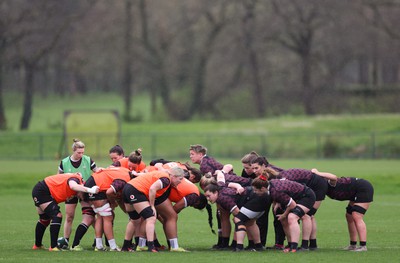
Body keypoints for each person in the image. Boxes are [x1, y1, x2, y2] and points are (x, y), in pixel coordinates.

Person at [121, 167, 187, 252]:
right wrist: (152, 206)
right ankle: (151, 246)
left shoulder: (162, 174)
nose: (180, 181)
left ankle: (125, 247)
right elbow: (152, 188)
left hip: (127, 188)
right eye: (180, 179)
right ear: (173, 176)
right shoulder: (166, 180)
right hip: (135, 190)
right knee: (151, 217)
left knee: (135, 220)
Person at [203, 170, 270, 252]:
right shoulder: (219, 186)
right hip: (262, 198)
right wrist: (219, 172)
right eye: (206, 197)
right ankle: (258, 246)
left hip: (255, 198)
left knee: (238, 219)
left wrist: (240, 220)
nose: (208, 199)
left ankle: (239, 246)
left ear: (216, 192)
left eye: (209, 196)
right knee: (250, 222)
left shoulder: (222, 198)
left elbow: (237, 212)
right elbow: (221, 178)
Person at [265, 166, 328, 251]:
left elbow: (291, 201)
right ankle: (292, 244)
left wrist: (285, 213)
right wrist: (278, 203)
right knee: (288, 218)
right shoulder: (276, 183)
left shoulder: (280, 181)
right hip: (301, 193)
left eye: (256, 168)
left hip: (312, 190)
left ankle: (306, 246)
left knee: (306, 216)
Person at [32, 173, 99, 251]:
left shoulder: (77, 186)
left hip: (40, 190)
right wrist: (90, 190)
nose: (82, 198)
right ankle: (53, 247)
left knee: (44, 219)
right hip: (43, 191)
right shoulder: (76, 179)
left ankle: (37, 245)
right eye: (84, 195)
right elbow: (72, 185)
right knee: (57, 216)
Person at [312, 168, 374, 252]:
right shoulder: (320, 189)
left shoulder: (329, 183)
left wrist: (317, 172)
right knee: (349, 216)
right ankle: (353, 245)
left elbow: (334, 177)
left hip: (363, 188)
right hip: (354, 192)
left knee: (356, 215)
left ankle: (363, 246)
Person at [251, 176, 316, 253]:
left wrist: (284, 214)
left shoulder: (275, 191)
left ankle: (296, 248)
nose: (254, 192)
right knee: (284, 220)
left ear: (262, 188)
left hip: (306, 196)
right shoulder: (270, 185)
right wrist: (277, 202)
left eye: (255, 190)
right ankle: (290, 244)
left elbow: (292, 204)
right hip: (296, 197)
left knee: (292, 217)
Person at [58, 139, 100, 250]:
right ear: (73, 151)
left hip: (85, 192)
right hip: (71, 192)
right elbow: (59, 178)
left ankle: (98, 239)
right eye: (78, 152)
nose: (81, 155)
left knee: (90, 216)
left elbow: (97, 172)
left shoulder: (88, 160)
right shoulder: (64, 162)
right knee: (69, 216)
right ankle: (65, 240)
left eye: (82, 152)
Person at [84, 166, 133, 251]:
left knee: (100, 217)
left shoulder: (124, 170)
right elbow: (109, 192)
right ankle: (112, 246)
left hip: (90, 187)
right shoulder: (123, 180)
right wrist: (113, 202)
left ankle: (98, 245)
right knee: (108, 217)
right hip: (96, 189)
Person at [250, 156, 286, 250]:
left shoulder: (274, 174)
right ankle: (260, 244)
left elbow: (280, 189)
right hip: (268, 194)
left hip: (282, 196)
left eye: (256, 168)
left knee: (278, 217)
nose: (254, 171)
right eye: (252, 168)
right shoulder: (260, 175)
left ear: (263, 166)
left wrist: (277, 201)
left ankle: (279, 244)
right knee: (261, 216)